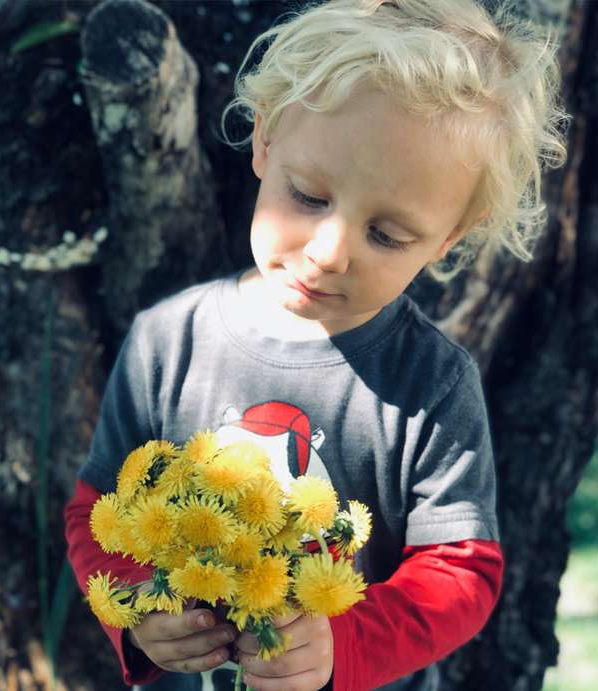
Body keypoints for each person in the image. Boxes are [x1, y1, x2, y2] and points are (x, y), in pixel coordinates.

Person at [64, 1, 567, 689]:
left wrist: (341, 643)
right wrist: (138, 611)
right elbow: (97, 511)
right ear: (266, 140)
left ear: (451, 235)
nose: (330, 252)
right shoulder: (167, 341)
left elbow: (461, 569)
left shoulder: (432, 384)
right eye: (308, 196)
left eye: (387, 235)